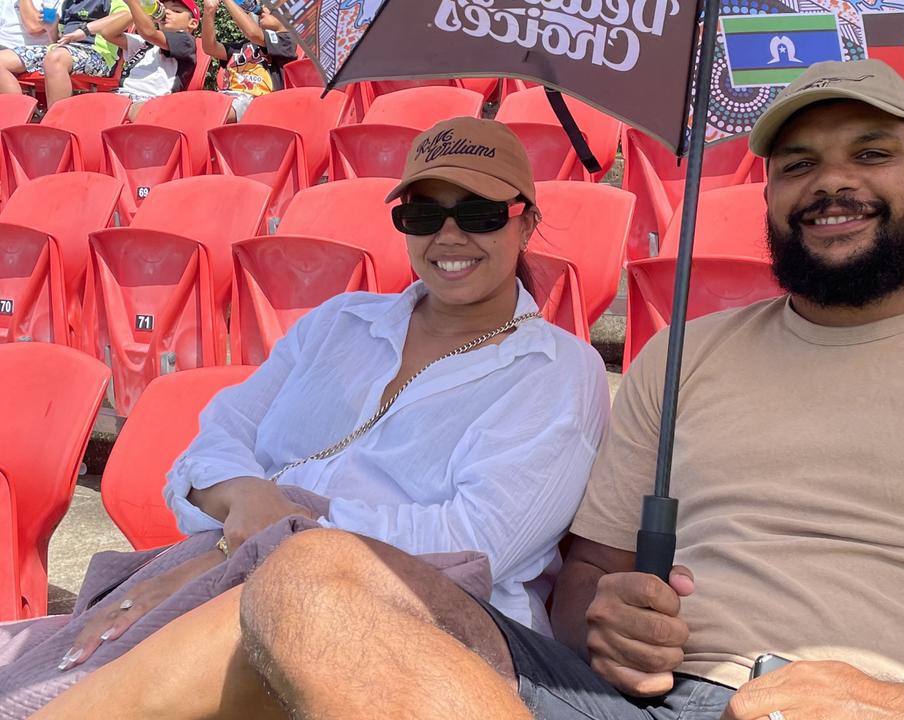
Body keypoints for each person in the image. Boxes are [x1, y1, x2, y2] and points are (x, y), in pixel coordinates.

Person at [33, 60, 904, 720]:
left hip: (886, 706)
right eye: (796, 165)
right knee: (308, 576)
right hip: (646, 707)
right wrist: (605, 619)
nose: (830, 185)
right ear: (763, 195)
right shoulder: (684, 358)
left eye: (869, 154)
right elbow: (573, 591)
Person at [10, 116, 608, 717]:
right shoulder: (340, 321)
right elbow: (213, 445)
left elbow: (476, 544)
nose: (448, 236)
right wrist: (245, 499)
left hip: (411, 628)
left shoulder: (558, 372)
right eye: (423, 216)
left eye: (479, 214)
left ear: (526, 220)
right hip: (229, 580)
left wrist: (261, 536)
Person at [0, 0, 128, 107]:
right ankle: (19, 118)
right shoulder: (68, 3)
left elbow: (127, 15)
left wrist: (85, 30)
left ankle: (57, 123)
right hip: (63, 51)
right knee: (2, 60)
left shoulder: (107, 1)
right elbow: (58, 40)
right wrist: (51, 29)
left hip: (97, 55)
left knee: (56, 58)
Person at [101, 0, 197, 120]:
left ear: (192, 24)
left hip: (153, 101)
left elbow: (149, 33)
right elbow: (108, 33)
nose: (167, 12)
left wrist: (134, 3)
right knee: (91, 106)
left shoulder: (186, 41)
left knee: (135, 111)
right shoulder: (143, 43)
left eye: (176, 11)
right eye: (165, 8)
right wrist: (140, 9)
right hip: (122, 95)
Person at [200, 0, 293, 122]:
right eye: (264, 7)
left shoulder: (288, 41)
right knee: (194, 107)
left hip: (258, 101)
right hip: (226, 95)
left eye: (271, 9)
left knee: (210, 114)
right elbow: (210, 48)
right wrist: (209, 11)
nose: (263, 10)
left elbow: (253, 33)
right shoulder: (245, 46)